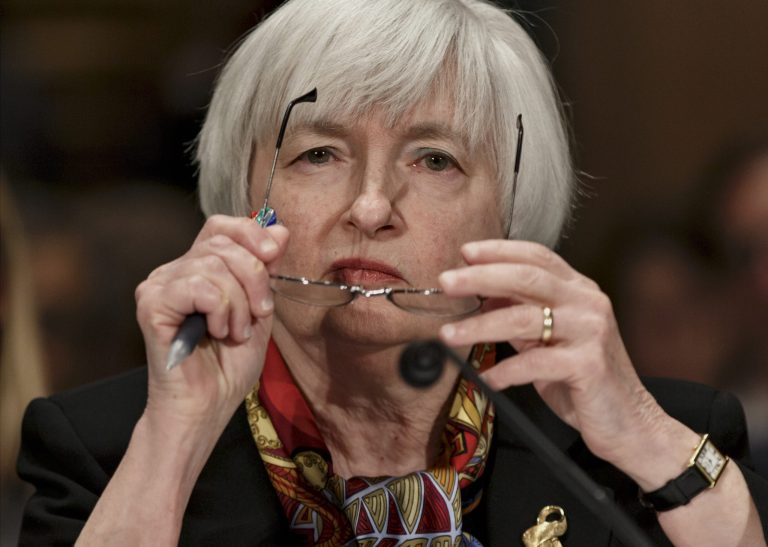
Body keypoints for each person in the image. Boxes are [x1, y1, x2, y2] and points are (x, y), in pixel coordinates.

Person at [17, 1, 767, 545]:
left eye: (435, 159)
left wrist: (639, 432)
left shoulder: (654, 445)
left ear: (508, 213)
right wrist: (173, 440)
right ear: (247, 201)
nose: (371, 206)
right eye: (319, 154)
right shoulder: (105, 450)